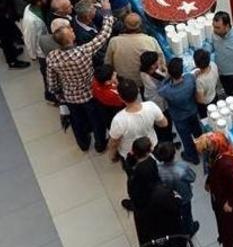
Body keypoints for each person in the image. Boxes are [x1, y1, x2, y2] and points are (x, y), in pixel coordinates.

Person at [46, 13, 115, 152]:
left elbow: (52, 81)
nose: (73, 31)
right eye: (70, 31)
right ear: (69, 38)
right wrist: (107, 16)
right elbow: (103, 35)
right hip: (90, 93)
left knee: (77, 121)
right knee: (97, 121)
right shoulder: (83, 51)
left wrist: (59, 95)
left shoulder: (52, 57)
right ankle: (100, 144)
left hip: (70, 96)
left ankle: (83, 144)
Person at [129, 143, 182, 246]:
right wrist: (176, 197)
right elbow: (175, 206)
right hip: (165, 227)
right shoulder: (161, 192)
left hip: (147, 228)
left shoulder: (135, 184)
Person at [106, 78, 168, 161]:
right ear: (138, 91)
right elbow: (164, 123)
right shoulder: (151, 106)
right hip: (151, 146)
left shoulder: (118, 120)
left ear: (120, 98)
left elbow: (114, 142)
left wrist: (112, 156)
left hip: (130, 153)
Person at [157, 57, 203, 166]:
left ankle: (192, 157)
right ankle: (203, 148)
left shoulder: (166, 90)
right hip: (192, 111)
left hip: (179, 117)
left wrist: (167, 77)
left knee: (186, 138)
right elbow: (193, 75)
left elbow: (160, 89)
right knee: (198, 132)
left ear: (170, 73)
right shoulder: (190, 79)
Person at [104, 13, 163, 87]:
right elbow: (161, 63)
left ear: (124, 25)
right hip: (143, 83)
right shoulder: (150, 40)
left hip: (124, 84)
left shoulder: (114, 42)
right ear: (140, 25)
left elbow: (108, 64)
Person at [156, 141, 199, 236]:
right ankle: (189, 229)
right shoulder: (182, 167)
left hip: (169, 197)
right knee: (187, 214)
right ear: (174, 154)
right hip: (184, 197)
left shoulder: (158, 169)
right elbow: (192, 177)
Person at [193, 48, 220, 115]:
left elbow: (200, 100)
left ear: (196, 64)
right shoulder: (213, 65)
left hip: (206, 103)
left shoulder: (200, 81)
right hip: (214, 95)